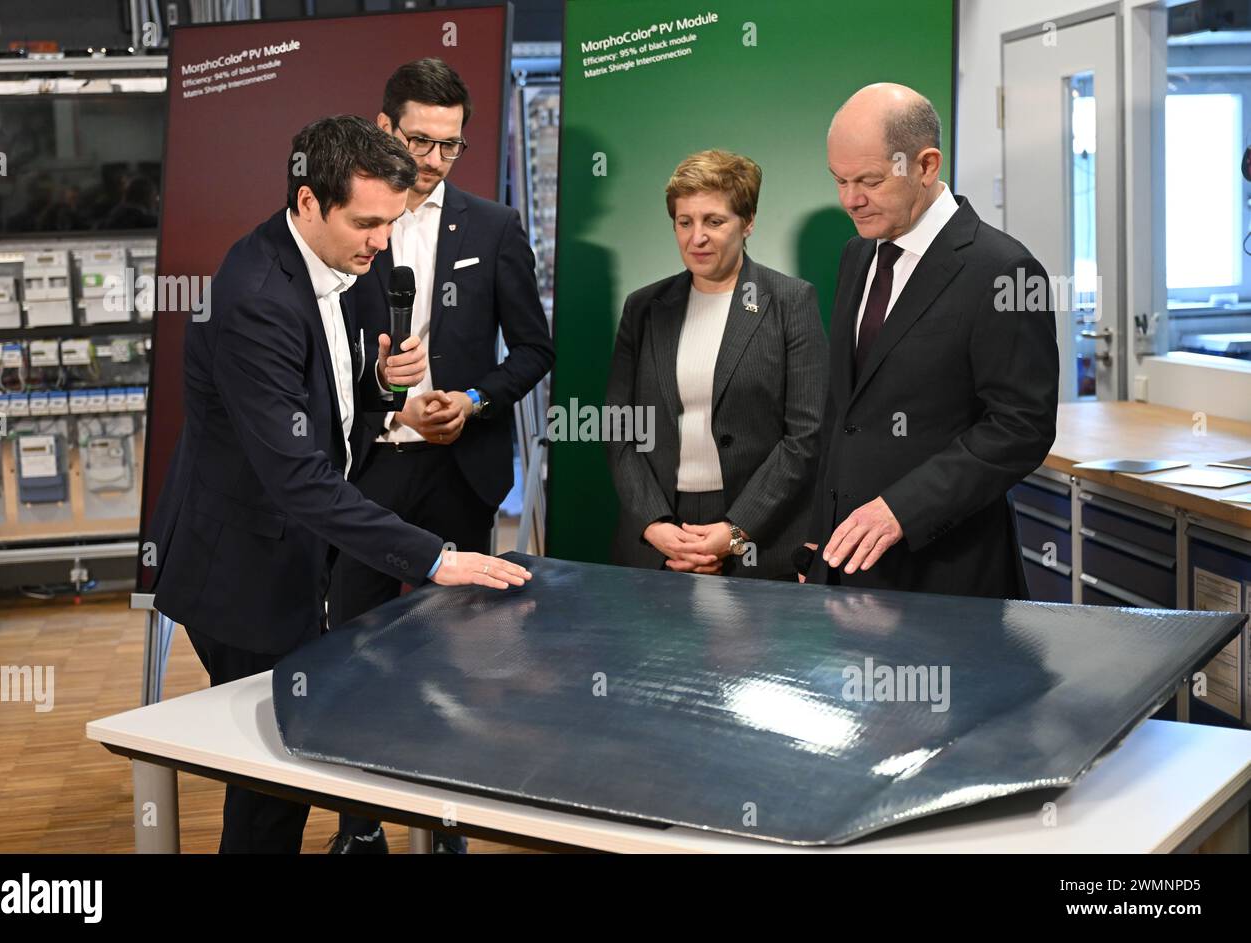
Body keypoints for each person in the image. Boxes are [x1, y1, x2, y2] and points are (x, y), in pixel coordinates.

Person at [146, 114, 531, 854]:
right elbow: (298, 476)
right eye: (366, 223)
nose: (381, 242)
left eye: (390, 222)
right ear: (307, 203)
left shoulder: (346, 262)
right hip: (240, 568)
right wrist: (437, 559)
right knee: (271, 788)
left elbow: (329, 391)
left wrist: (380, 382)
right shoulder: (255, 295)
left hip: (299, 551)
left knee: (284, 775)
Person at [328, 59, 553, 853]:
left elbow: (533, 347)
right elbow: (315, 357)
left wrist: (475, 401)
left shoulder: (492, 227)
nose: (433, 159)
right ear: (384, 128)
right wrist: (383, 391)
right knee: (354, 650)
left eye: (451, 145)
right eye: (419, 139)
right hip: (365, 474)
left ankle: (446, 819)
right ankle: (361, 823)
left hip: (462, 472)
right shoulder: (342, 222)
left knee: (458, 657)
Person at [797, 83, 1058, 597]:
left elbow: (1021, 427)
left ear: (926, 165)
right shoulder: (857, 254)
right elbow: (844, 412)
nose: (851, 200)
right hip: (847, 566)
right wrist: (816, 535)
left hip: (946, 573)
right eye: (840, 180)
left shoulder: (1007, 270)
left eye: (869, 180)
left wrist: (903, 508)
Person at [605, 149, 826, 580]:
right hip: (659, 535)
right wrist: (653, 524)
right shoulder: (644, 307)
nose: (696, 237)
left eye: (714, 221)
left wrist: (735, 531)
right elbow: (619, 426)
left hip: (759, 535)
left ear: (748, 223)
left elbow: (805, 436)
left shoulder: (790, 302)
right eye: (684, 222)